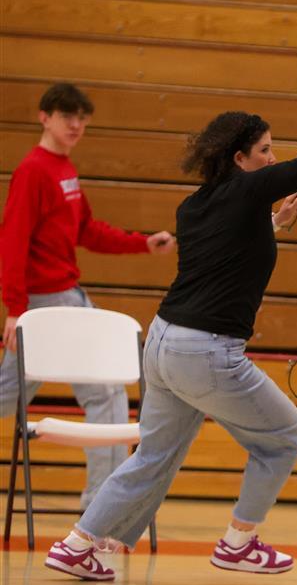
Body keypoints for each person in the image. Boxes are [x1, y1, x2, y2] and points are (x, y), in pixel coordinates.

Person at [44, 75, 297, 581]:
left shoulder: (195, 205)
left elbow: (226, 252)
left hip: (162, 343)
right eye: (265, 151)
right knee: (284, 436)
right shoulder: (249, 190)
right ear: (239, 158)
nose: (273, 158)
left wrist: (274, 224)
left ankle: (77, 544)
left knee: (153, 454)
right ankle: (239, 541)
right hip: (205, 351)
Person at [0, 83, 175, 509]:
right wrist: (15, 309)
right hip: (50, 304)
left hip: (63, 298)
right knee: (106, 393)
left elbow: (85, 230)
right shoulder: (33, 171)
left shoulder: (63, 169)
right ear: (45, 117)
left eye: (82, 118)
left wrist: (140, 243)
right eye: (67, 117)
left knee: (9, 393)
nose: (76, 125)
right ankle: (103, 505)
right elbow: (12, 241)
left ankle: (101, 502)